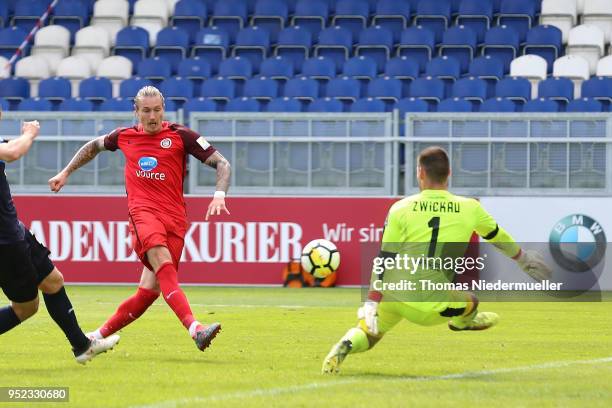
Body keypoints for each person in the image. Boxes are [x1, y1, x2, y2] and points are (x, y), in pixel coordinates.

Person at [322, 146, 551, 374]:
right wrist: (522, 258)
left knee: (369, 333)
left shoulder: (400, 208)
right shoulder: (470, 207)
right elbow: (497, 237)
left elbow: (385, 257)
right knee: (471, 300)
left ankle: (343, 346)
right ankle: (462, 322)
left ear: (420, 173)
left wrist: (372, 301)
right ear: (449, 173)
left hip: (394, 292)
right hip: (431, 304)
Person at [49, 86, 231, 352]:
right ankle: (195, 328)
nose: (153, 116)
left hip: (175, 218)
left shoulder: (181, 136)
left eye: (157, 110)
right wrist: (65, 172)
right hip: (143, 213)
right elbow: (93, 146)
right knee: (162, 261)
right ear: (136, 112)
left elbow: (223, 164)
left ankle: (94, 337)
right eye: (146, 111)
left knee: (149, 290)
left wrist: (219, 194)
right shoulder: (124, 136)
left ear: (164, 109)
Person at [0, 113, 120, 364]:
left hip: (13, 230)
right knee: (26, 308)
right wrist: (30, 133)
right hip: (5, 240)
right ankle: (81, 345)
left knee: (53, 281)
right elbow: (12, 152)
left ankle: (82, 346)